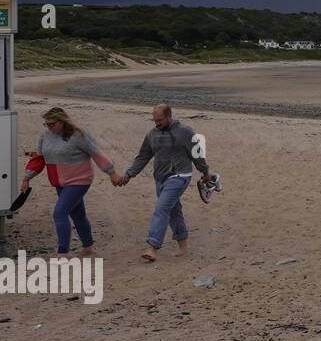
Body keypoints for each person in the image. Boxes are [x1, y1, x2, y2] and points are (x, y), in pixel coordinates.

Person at [20, 106, 124, 258]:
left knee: (59, 212)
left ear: (62, 122)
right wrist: (27, 177)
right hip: (59, 182)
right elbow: (39, 159)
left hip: (79, 180)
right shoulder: (45, 136)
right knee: (78, 214)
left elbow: (96, 153)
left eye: (52, 124)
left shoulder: (78, 135)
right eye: (46, 124)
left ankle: (63, 251)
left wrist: (111, 173)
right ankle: (88, 247)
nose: (49, 127)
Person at [117, 103, 210, 262]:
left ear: (169, 116)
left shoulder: (185, 132)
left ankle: (152, 247)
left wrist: (205, 171)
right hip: (160, 178)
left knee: (162, 207)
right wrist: (128, 175)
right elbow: (143, 157)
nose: (157, 123)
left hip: (180, 176)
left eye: (160, 120)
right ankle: (183, 246)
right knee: (173, 211)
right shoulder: (152, 134)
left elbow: (197, 154)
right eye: (154, 120)